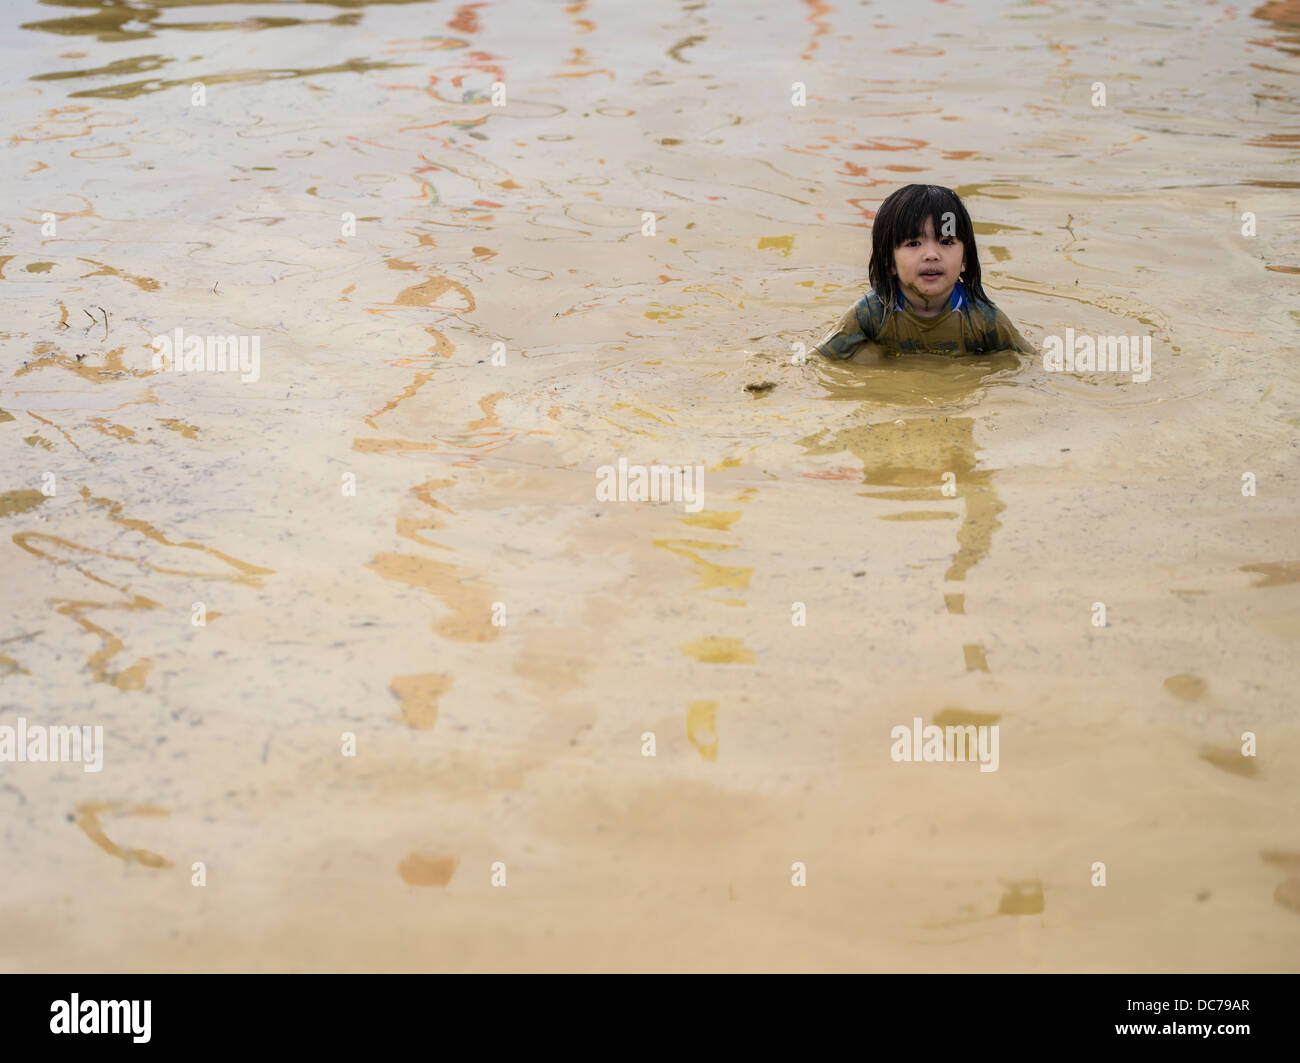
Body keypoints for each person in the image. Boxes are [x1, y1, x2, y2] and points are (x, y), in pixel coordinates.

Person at [810, 184, 1035, 360]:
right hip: (896, 399)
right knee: (866, 356)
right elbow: (816, 361)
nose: (931, 254)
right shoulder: (872, 313)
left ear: (965, 259)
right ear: (889, 261)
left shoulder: (983, 318)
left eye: (946, 242)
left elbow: (1030, 362)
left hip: (956, 403)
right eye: (913, 244)